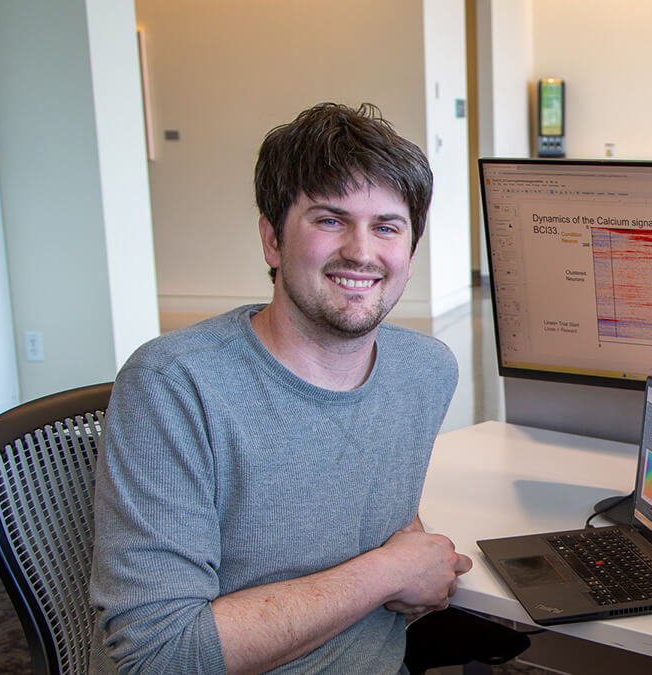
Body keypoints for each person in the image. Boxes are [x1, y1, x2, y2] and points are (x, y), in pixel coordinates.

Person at [89, 102, 471, 674]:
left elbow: (369, 509)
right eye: (329, 219)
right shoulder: (175, 385)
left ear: (410, 251)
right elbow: (160, 655)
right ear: (272, 240)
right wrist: (390, 572)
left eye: (386, 227)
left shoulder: (426, 370)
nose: (362, 252)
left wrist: (410, 552)